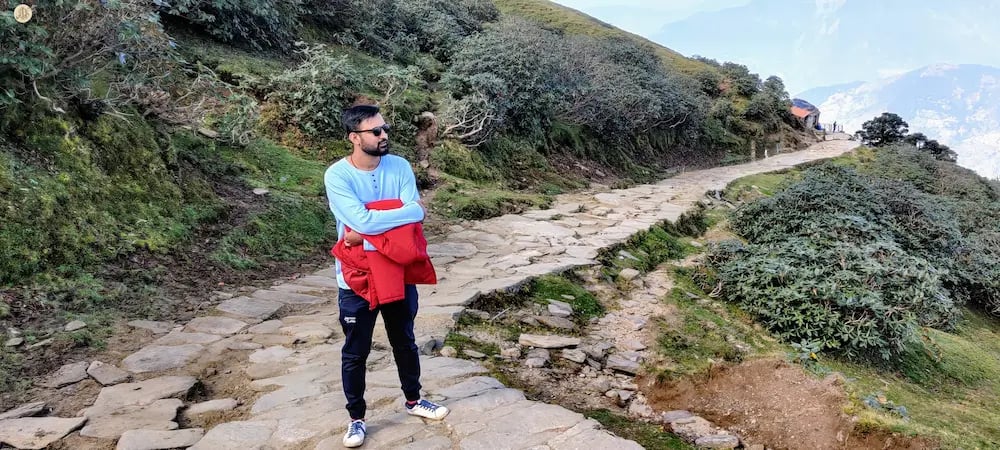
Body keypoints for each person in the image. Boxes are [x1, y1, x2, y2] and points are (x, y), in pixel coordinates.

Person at [324, 104, 449, 448]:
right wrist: (390, 217)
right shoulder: (337, 175)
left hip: (398, 271)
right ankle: (356, 419)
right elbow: (364, 219)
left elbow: (414, 215)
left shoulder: (400, 166)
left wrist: (364, 233)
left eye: (386, 129)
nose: (384, 135)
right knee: (355, 351)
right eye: (376, 131)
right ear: (354, 137)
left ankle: (414, 400)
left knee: (404, 340)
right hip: (357, 277)